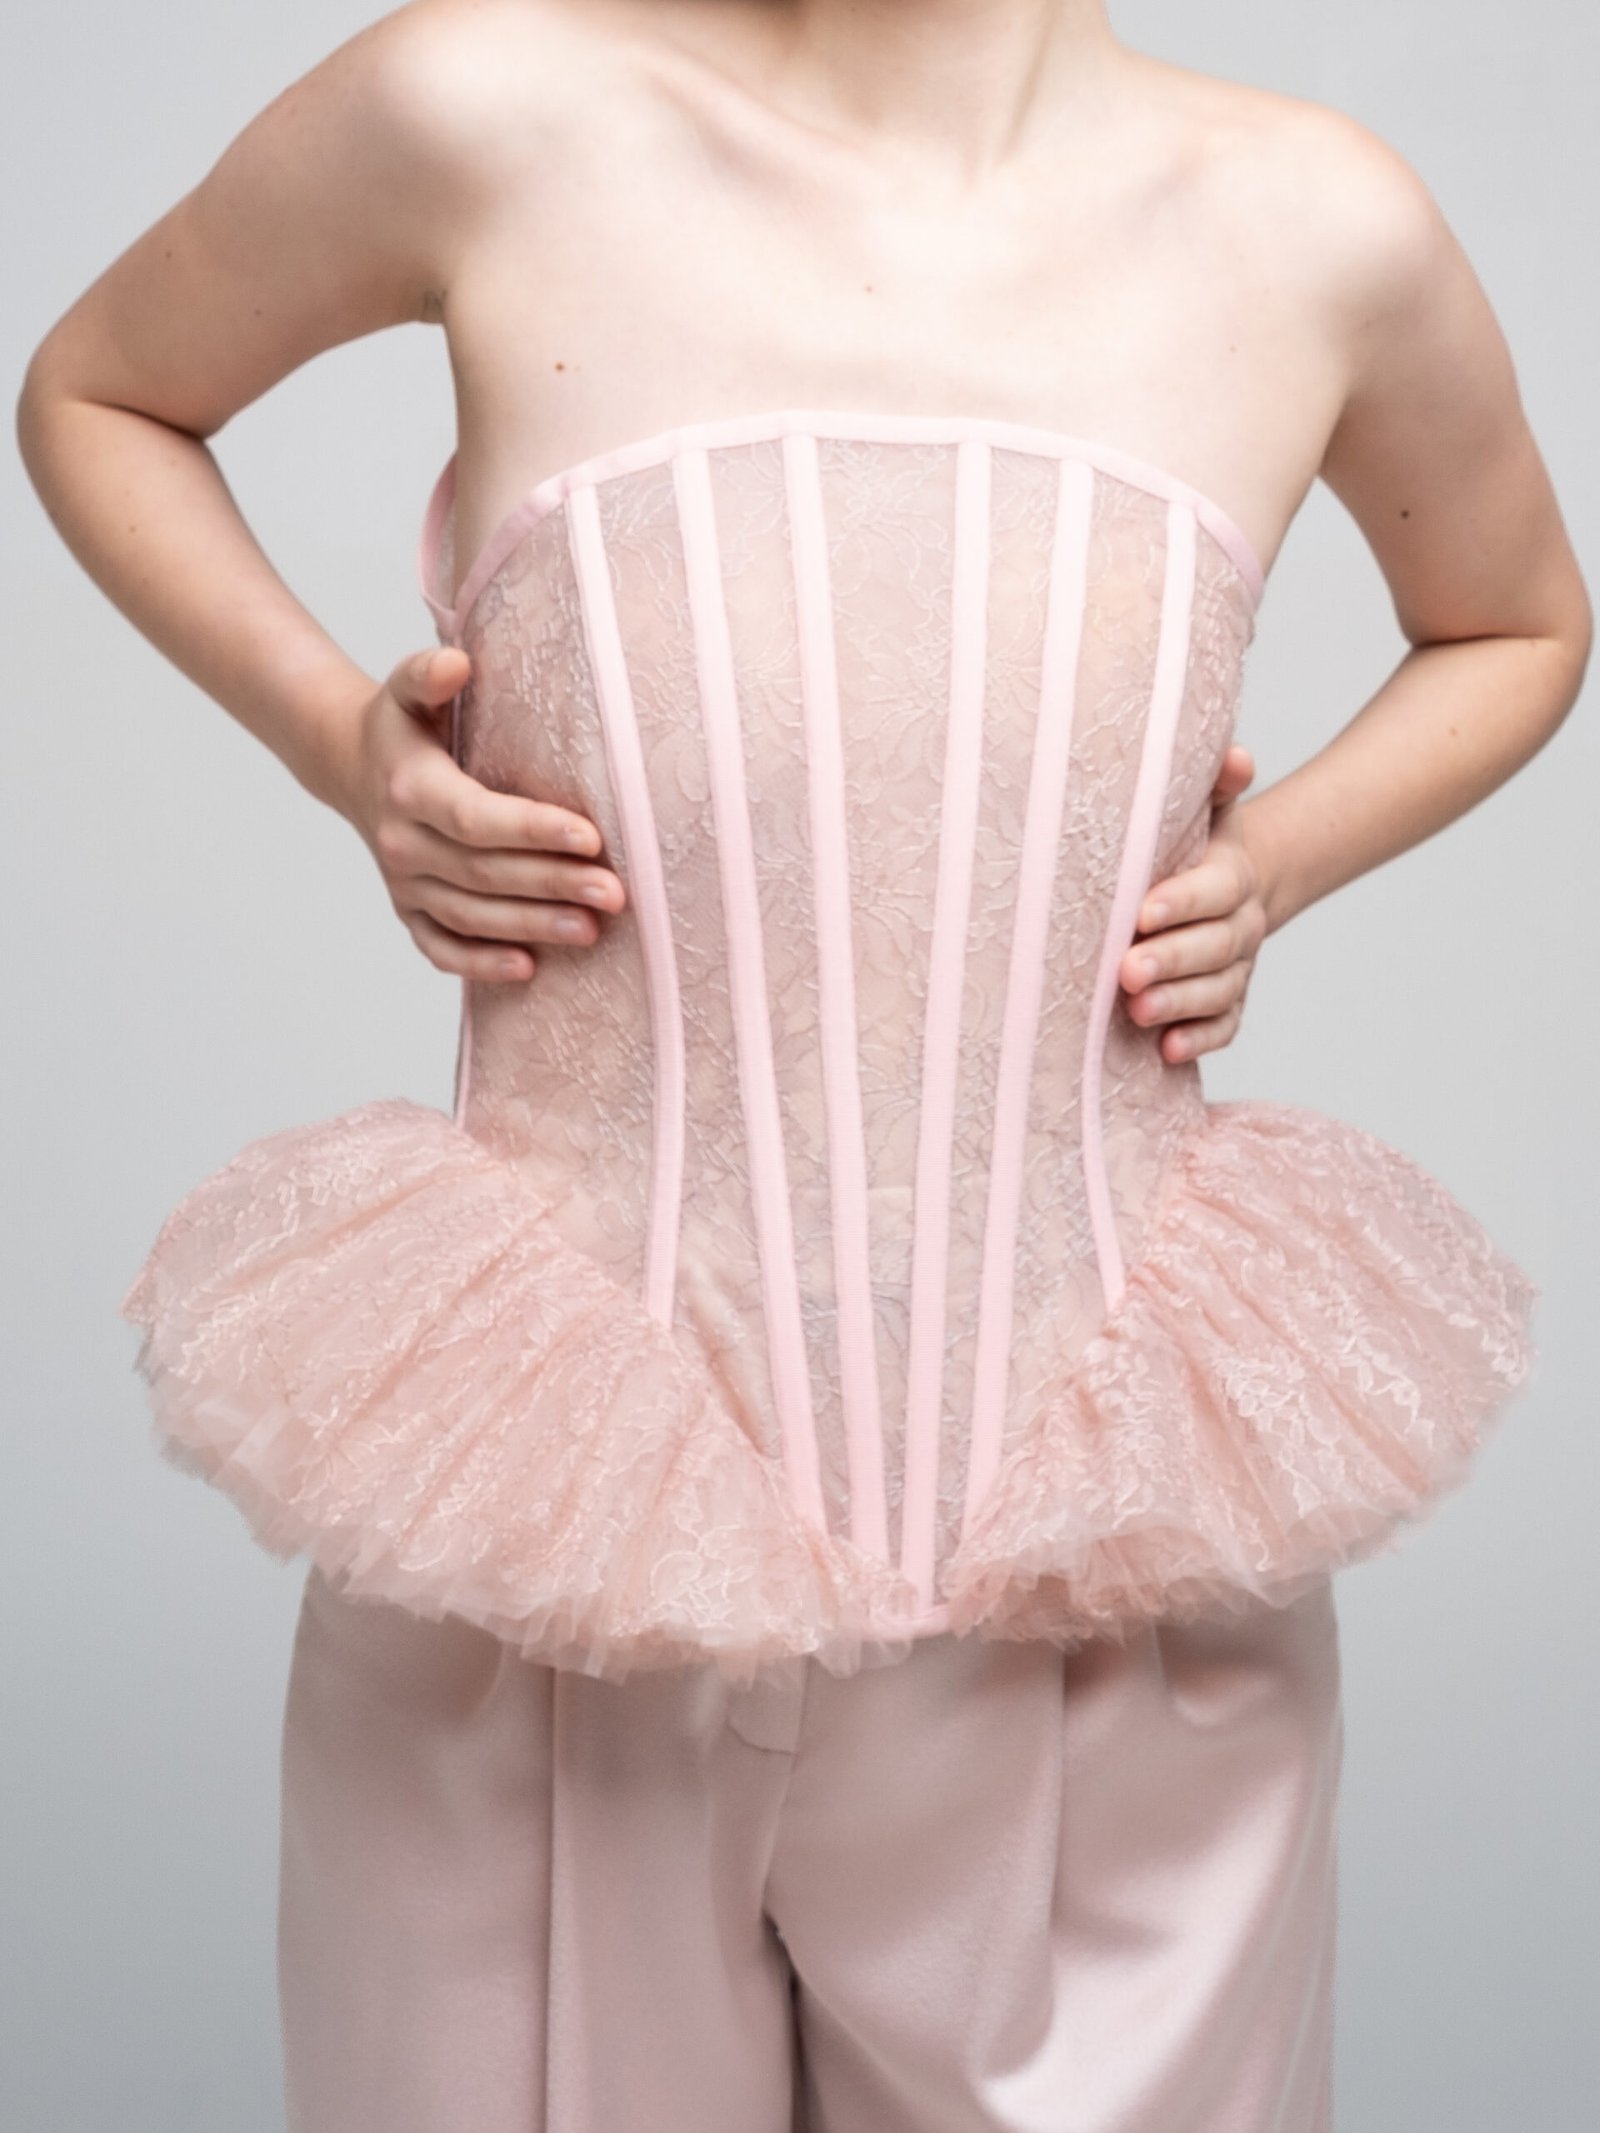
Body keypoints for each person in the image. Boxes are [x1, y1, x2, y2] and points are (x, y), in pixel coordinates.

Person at [16, 2, 1588, 2129]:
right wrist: (340, 745)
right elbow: (99, 387)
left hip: (1103, 1592)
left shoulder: (1315, 224)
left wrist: (1274, 858)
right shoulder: (480, 106)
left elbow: (1516, 614)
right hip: (546, 1575)